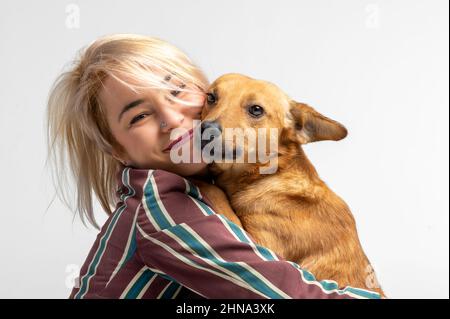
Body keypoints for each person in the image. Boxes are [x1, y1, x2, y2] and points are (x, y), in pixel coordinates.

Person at [46, 34, 381, 299]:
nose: (172, 119)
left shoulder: (211, 184)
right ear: (116, 149)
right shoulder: (166, 206)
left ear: (199, 87)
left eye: (177, 91)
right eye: (139, 116)